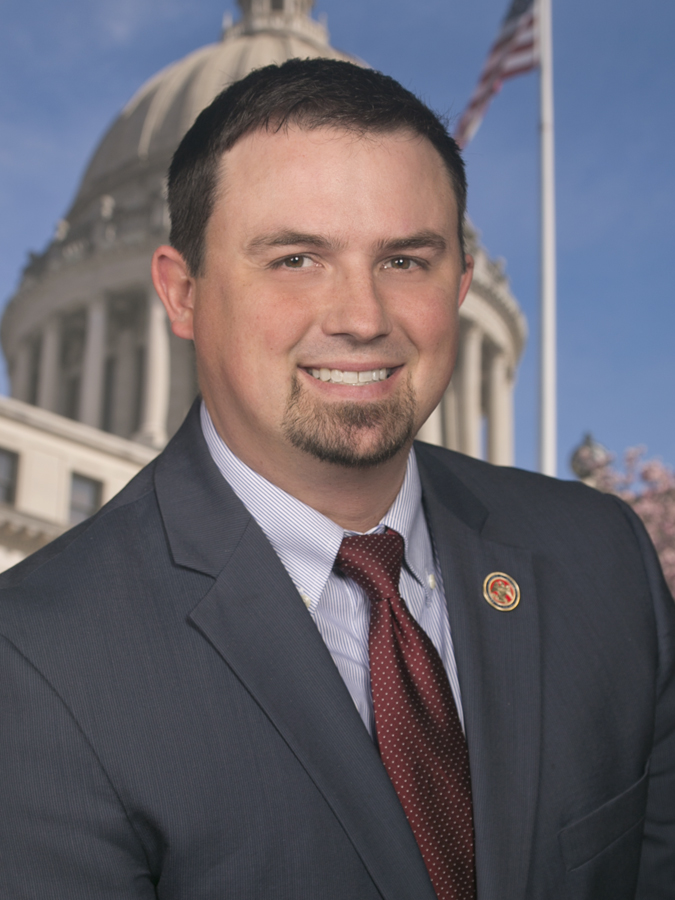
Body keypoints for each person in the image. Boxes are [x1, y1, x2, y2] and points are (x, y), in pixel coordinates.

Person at [1, 58, 673, 900]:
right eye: (294, 258)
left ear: (460, 286)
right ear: (181, 293)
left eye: (403, 261)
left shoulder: (599, 560)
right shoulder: (33, 663)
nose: (359, 318)